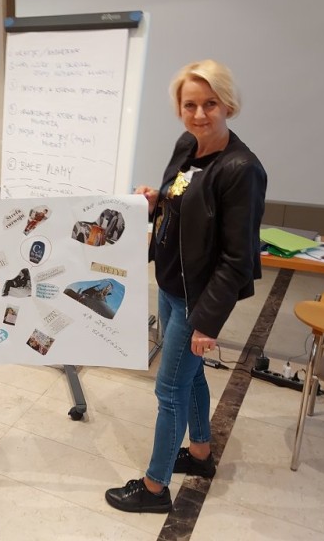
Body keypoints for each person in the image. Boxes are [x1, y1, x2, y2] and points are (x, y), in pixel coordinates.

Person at [105, 60, 266, 513]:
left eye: (210, 104)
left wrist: (206, 322)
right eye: (189, 104)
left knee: (169, 390)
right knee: (190, 378)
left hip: (198, 299)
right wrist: (155, 201)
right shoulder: (187, 146)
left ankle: (154, 489)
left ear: (228, 104)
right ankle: (199, 453)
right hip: (171, 283)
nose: (199, 114)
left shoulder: (241, 169)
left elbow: (237, 259)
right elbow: (180, 201)